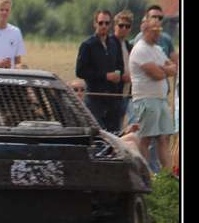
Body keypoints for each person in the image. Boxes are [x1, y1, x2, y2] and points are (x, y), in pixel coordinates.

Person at [128, 19, 177, 170]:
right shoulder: (140, 49)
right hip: (146, 99)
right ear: (145, 31)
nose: (157, 34)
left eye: (159, 31)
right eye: (154, 31)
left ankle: (167, 175)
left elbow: (173, 67)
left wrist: (162, 69)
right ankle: (144, 174)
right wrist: (164, 70)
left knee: (164, 137)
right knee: (146, 138)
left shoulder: (157, 49)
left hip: (161, 99)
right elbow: (156, 74)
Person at [75, 10, 125, 133]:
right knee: (99, 136)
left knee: (115, 136)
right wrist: (105, 76)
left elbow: (120, 65)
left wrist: (118, 74)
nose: (104, 26)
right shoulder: (87, 45)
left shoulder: (114, 43)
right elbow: (80, 71)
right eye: (101, 23)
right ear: (95, 24)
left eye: (107, 23)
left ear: (111, 24)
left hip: (113, 99)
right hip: (95, 98)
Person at [113, 9, 135, 117]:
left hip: (127, 93)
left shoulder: (128, 45)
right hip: (112, 95)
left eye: (127, 26)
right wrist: (122, 76)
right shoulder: (109, 43)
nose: (124, 28)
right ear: (115, 26)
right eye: (121, 25)